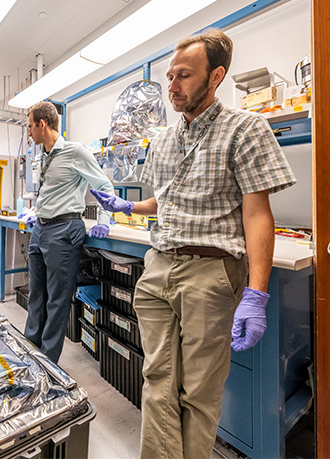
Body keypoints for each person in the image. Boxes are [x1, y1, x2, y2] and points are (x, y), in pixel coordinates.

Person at [91, 29, 296, 458]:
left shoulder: (245, 128)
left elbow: (257, 215)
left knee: (199, 393)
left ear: (216, 75)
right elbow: (162, 201)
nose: (172, 87)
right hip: (158, 267)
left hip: (210, 272)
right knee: (156, 382)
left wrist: (256, 293)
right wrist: (126, 207)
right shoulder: (163, 139)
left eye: (184, 76)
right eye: (170, 76)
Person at [20, 101, 115, 363]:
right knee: (36, 295)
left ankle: (48, 364)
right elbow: (48, 191)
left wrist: (105, 219)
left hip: (64, 229)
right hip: (41, 229)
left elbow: (104, 186)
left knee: (57, 301)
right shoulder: (43, 156)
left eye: (30, 127)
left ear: (42, 124)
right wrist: (35, 212)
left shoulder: (76, 152)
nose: (29, 133)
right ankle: (30, 354)